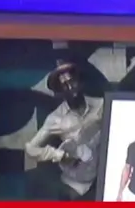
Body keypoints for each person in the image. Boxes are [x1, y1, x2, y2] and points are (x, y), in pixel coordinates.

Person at [26, 60, 104, 200]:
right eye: (64, 85)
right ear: (59, 92)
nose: (70, 88)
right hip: (77, 182)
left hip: (103, 175)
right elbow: (31, 148)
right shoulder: (55, 118)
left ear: (80, 82)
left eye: (72, 82)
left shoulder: (101, 105)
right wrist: (59, 155)